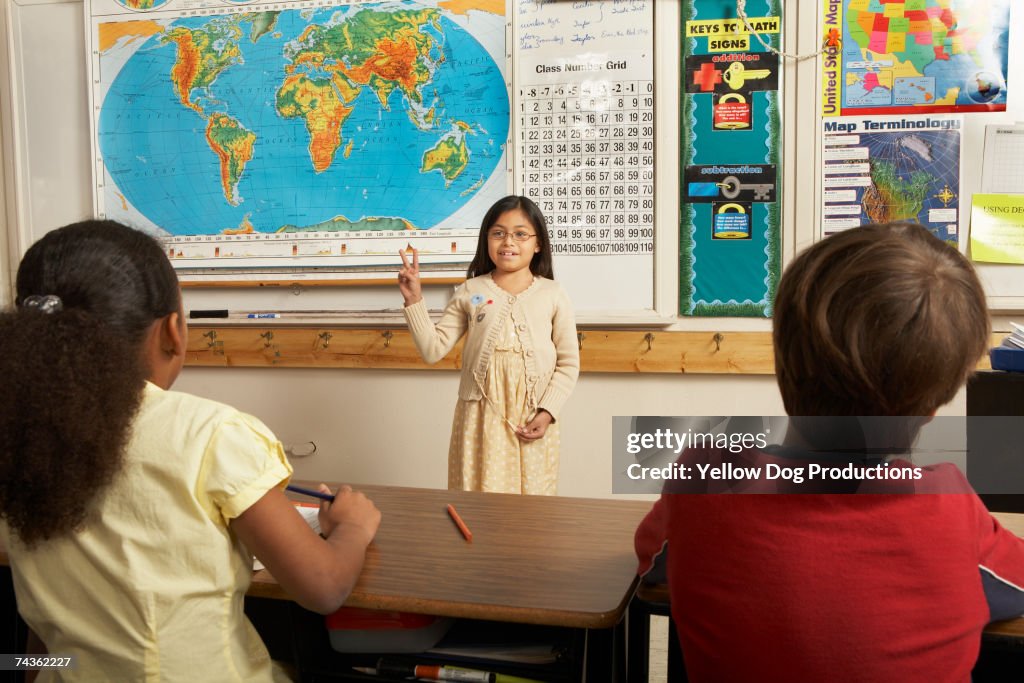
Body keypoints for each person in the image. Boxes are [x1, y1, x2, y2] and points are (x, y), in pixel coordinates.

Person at [634, 222, 1024, 682]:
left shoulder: (702, 478)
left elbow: (654, 565)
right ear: (935, 406)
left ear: (783, 368)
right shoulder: (947, 503)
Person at [0, 220, 381, 682]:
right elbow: (323, 588)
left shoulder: (15, 436)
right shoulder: (210, 435)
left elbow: (43, 633)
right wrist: (353, 529)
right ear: (173, 332)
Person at [397, 196, 579, 495]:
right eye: (498, 233)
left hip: (533, 419)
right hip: (480, 421)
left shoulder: (553, 294)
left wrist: (547, 412)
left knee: (532, 506)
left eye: (520, 233)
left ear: (538, 244)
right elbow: (433, 349)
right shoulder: (471, 290)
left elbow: (569, 363)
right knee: (479, 499)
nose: (508, 241)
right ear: (487, 240)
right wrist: (414, 300)